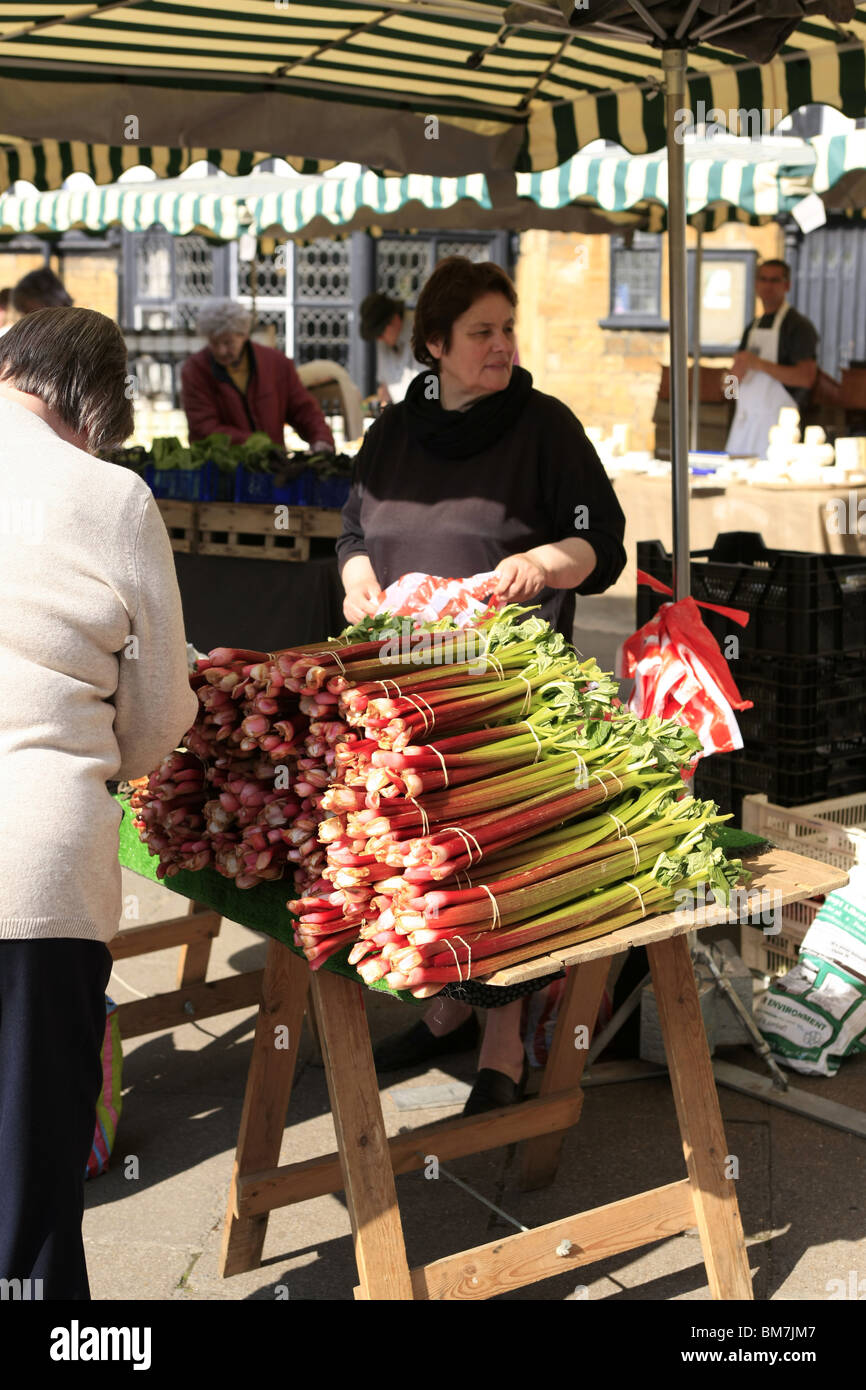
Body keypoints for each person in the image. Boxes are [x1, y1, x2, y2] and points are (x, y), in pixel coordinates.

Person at [337, 256, 626, 1114]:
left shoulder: (545, 427)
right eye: (481, 333)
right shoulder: (394, 430)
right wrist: (355, 575)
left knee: (494, 863)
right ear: (435, 345)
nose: (501, 346)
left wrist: (542, 562)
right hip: (402, 685)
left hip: (506, 694)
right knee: (424, 856)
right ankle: (442, 1013)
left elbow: (599, 545)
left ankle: (502, 1046)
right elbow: (353, 525)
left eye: (507, 329)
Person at [0, 306, 198, 1299]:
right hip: (35, 868)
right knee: (28, 1164)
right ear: (93, 404)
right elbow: (160, 712)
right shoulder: (108, 495)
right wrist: (107, 751)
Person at [181, 300, 335, 451]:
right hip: (220, 467)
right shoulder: (195, 370)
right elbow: (203, 427)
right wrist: (257, 444)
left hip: (271, 467)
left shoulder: (276, 364)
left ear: (244, 335)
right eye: (215, 343)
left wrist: (321, 438)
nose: (221, 351)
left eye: (228, 343)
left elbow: (302, 409)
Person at [725, 259, 819, 458]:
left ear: (787, 285)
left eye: (774, 280)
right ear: (756, 284)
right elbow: (729, 393)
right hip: (742, 428)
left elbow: (806, 377)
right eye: (763, 279)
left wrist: (759, 364)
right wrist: (732, 378)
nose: (768, 286)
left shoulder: (798, 327)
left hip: (779, 432)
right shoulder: (751, 328)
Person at [359, 292, 417, 406]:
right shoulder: (385, 338)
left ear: (395, 320)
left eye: (380, 333)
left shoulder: (420, 331)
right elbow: (384, 384)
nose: (379, 339)